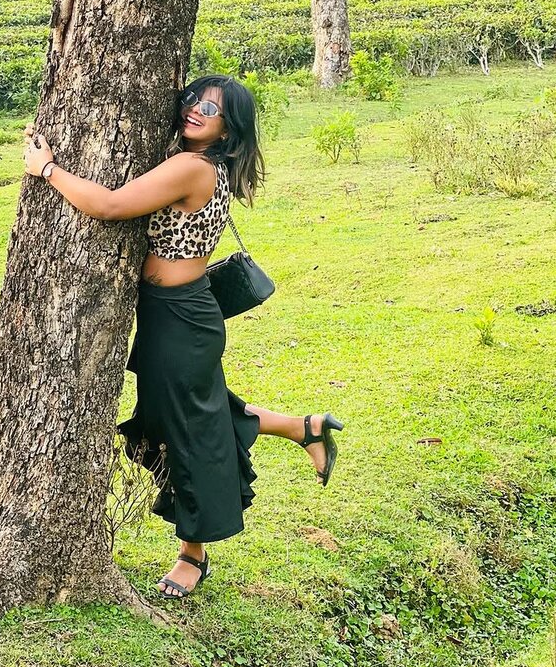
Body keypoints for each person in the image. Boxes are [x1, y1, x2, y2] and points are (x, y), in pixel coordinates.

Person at [22, 74, 343, 600]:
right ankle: (302, 427)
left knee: (187, 432)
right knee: (195, 414)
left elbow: (109, 206)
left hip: (180, 319)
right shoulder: (198, 162)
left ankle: (193, 553)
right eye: (193, 99)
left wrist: (48, 169)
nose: (195, 109)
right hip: (179, 314)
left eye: (211, 110)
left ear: (227, 129)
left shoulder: (192, 167)